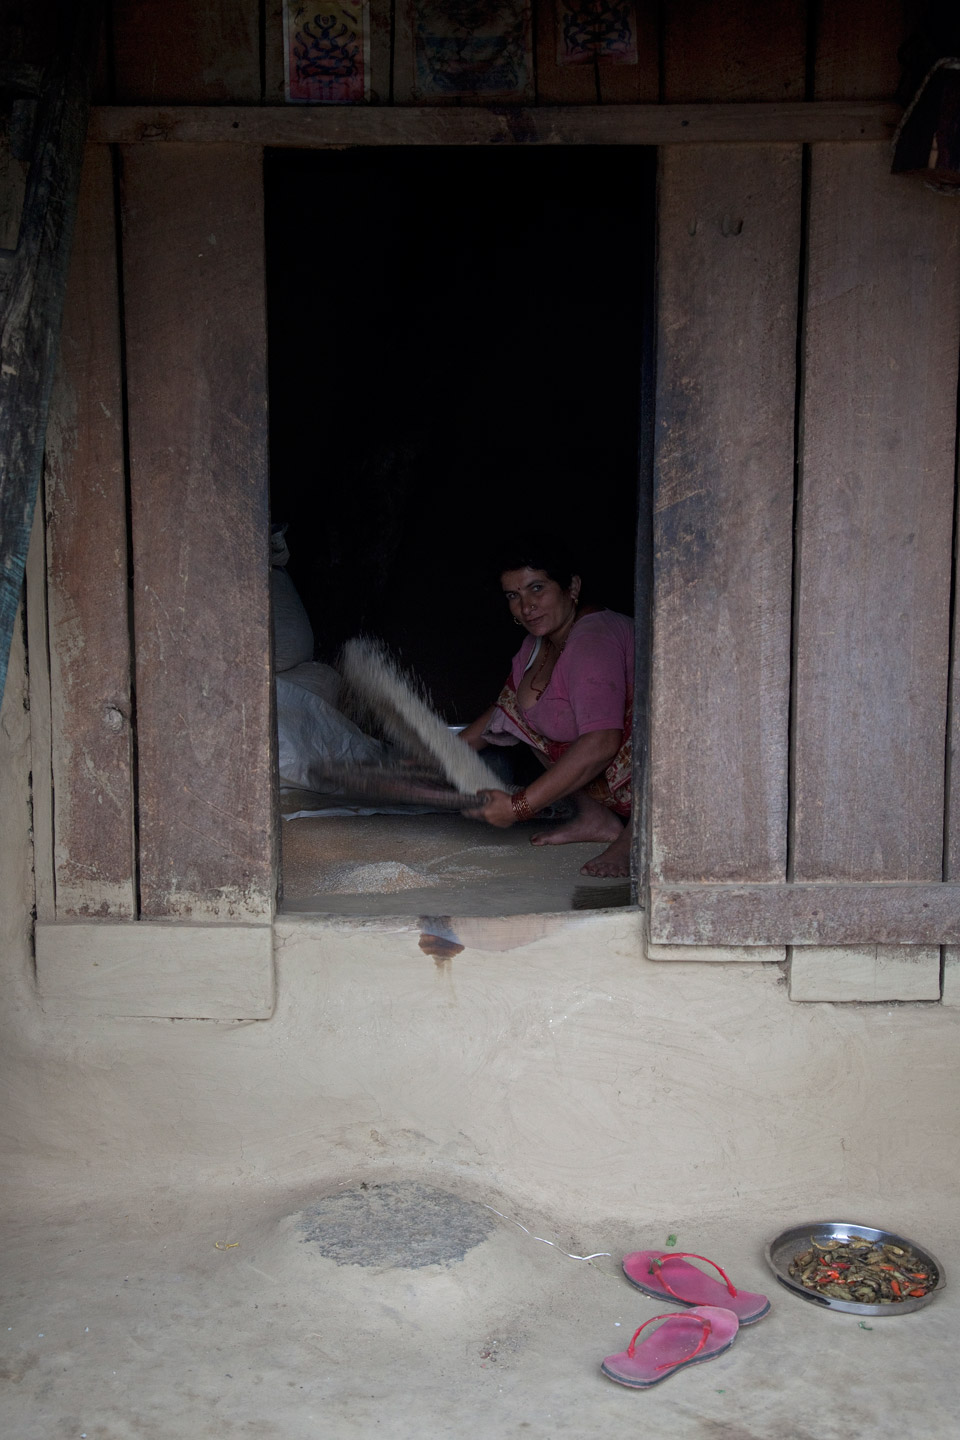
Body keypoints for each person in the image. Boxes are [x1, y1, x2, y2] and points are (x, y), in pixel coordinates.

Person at [459, 546, 634, 878]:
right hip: (610, 784)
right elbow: (504, 708)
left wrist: (518, 807)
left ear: (572, 587)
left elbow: (602, 742)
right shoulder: (536, 644)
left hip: (657, 779)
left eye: (537, 588)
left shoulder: (594, 638)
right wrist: (438, 754)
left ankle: (638, 833)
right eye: (514, 595)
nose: (526, 606)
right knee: (523, 713)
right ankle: (594, 818)